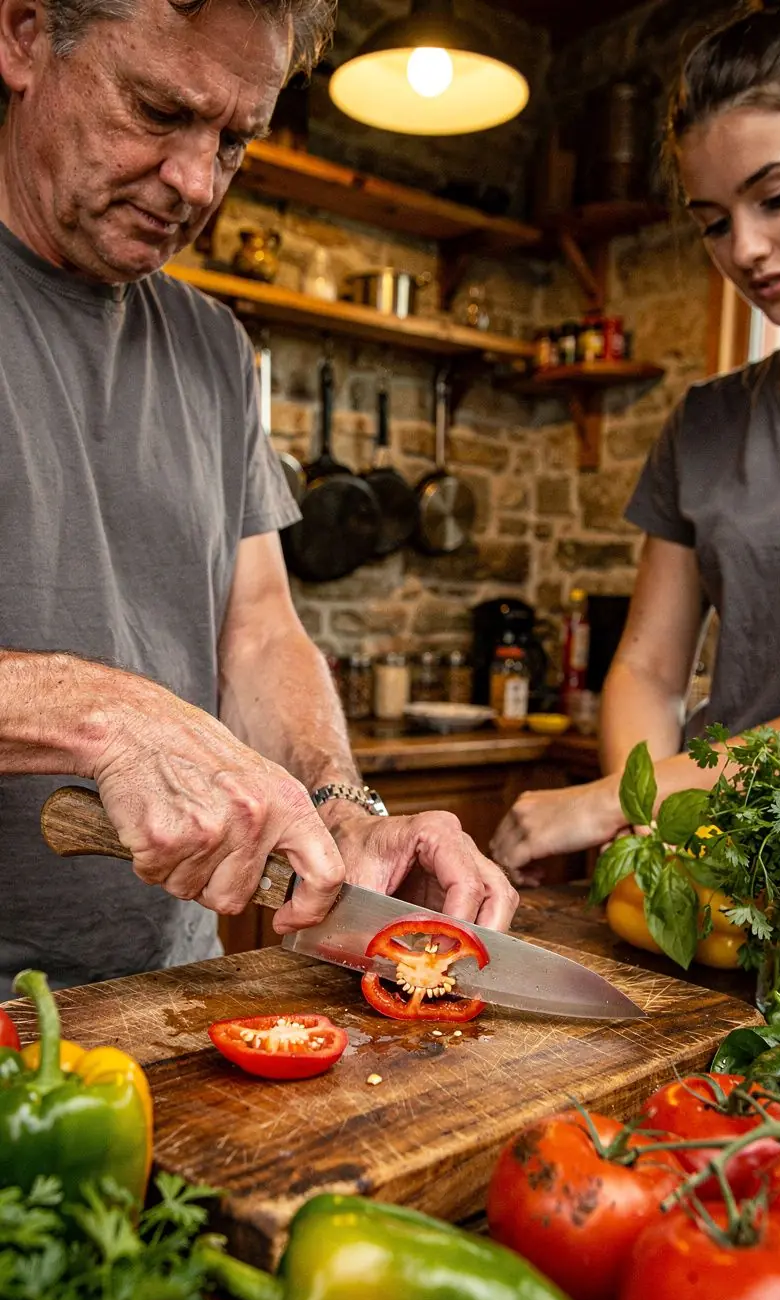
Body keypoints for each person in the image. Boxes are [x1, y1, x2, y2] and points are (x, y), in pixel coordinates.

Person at [0, 0, 517, 996]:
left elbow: (260, 631)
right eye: (159, 111)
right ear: (24, 35)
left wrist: (340, 805)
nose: (198, 183)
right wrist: (104, 713)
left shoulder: (215, 348)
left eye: (234, 141)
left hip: (167, 996)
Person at [491, 0, 780, 881]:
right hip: (717, 870)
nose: (745, 250)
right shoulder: (705, 425)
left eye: (776, 197)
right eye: (713, 221)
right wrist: (650, 835)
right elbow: (647, 665)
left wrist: (618, 802)